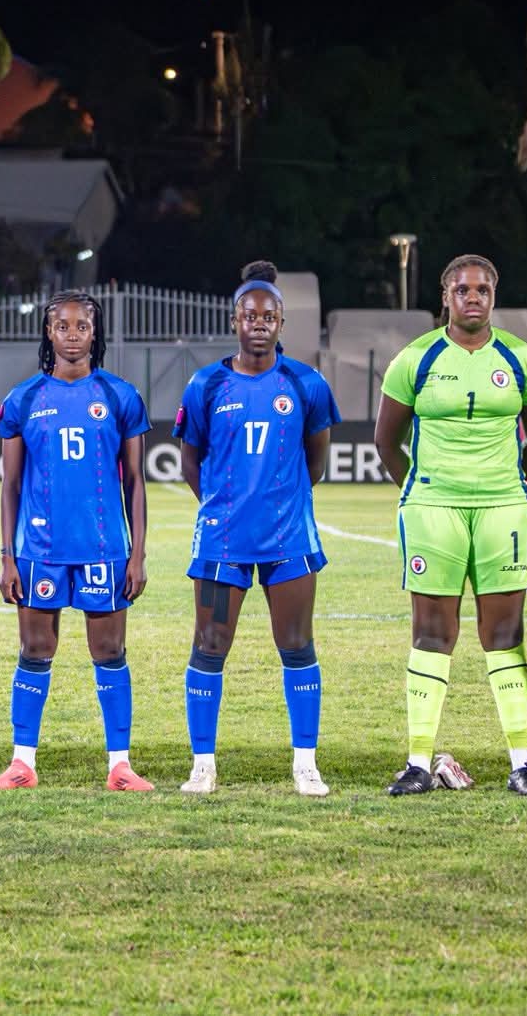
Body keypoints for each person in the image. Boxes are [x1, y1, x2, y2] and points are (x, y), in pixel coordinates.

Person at [374, 253, 527, 797]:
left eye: (482, 290)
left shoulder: (524, 360)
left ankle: (522, 764)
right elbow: (387, 441)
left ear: (493, 297)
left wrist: (506, 483)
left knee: (504, 635)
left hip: (503, 510)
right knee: (433, 634)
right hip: (433, 510)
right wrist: (422, 486)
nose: (472, 298)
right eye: (462, 290)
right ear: (445, 296)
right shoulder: (416, 358)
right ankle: (418, 764)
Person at [172, 260, 340, 797]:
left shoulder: (305, 383)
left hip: (289, 540)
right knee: (209, 644)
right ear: (234, 320)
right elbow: (190, 462)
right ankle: (203, 764)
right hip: (224, 542)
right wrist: (227, 508)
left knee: (296, 643)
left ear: (281, 322)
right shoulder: (207, 384)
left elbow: (315, 463)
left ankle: (305, 763)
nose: (259, 322)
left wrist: (278, 504)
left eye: (269, 315)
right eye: (250, 314)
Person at [0, 291, 154, 793]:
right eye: (63, 325)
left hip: (104, 549)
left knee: (109, 651)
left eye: (83, 325)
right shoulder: (23, 400)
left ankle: (119, 765)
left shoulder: (120, 396)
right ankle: (22, 763)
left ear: (94, 333)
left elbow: (135, 482)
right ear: (49, 333)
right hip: (39, 551)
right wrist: (7, 557)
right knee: (35, 648)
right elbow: (11, 485)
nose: (74, 334)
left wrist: (138, 554)